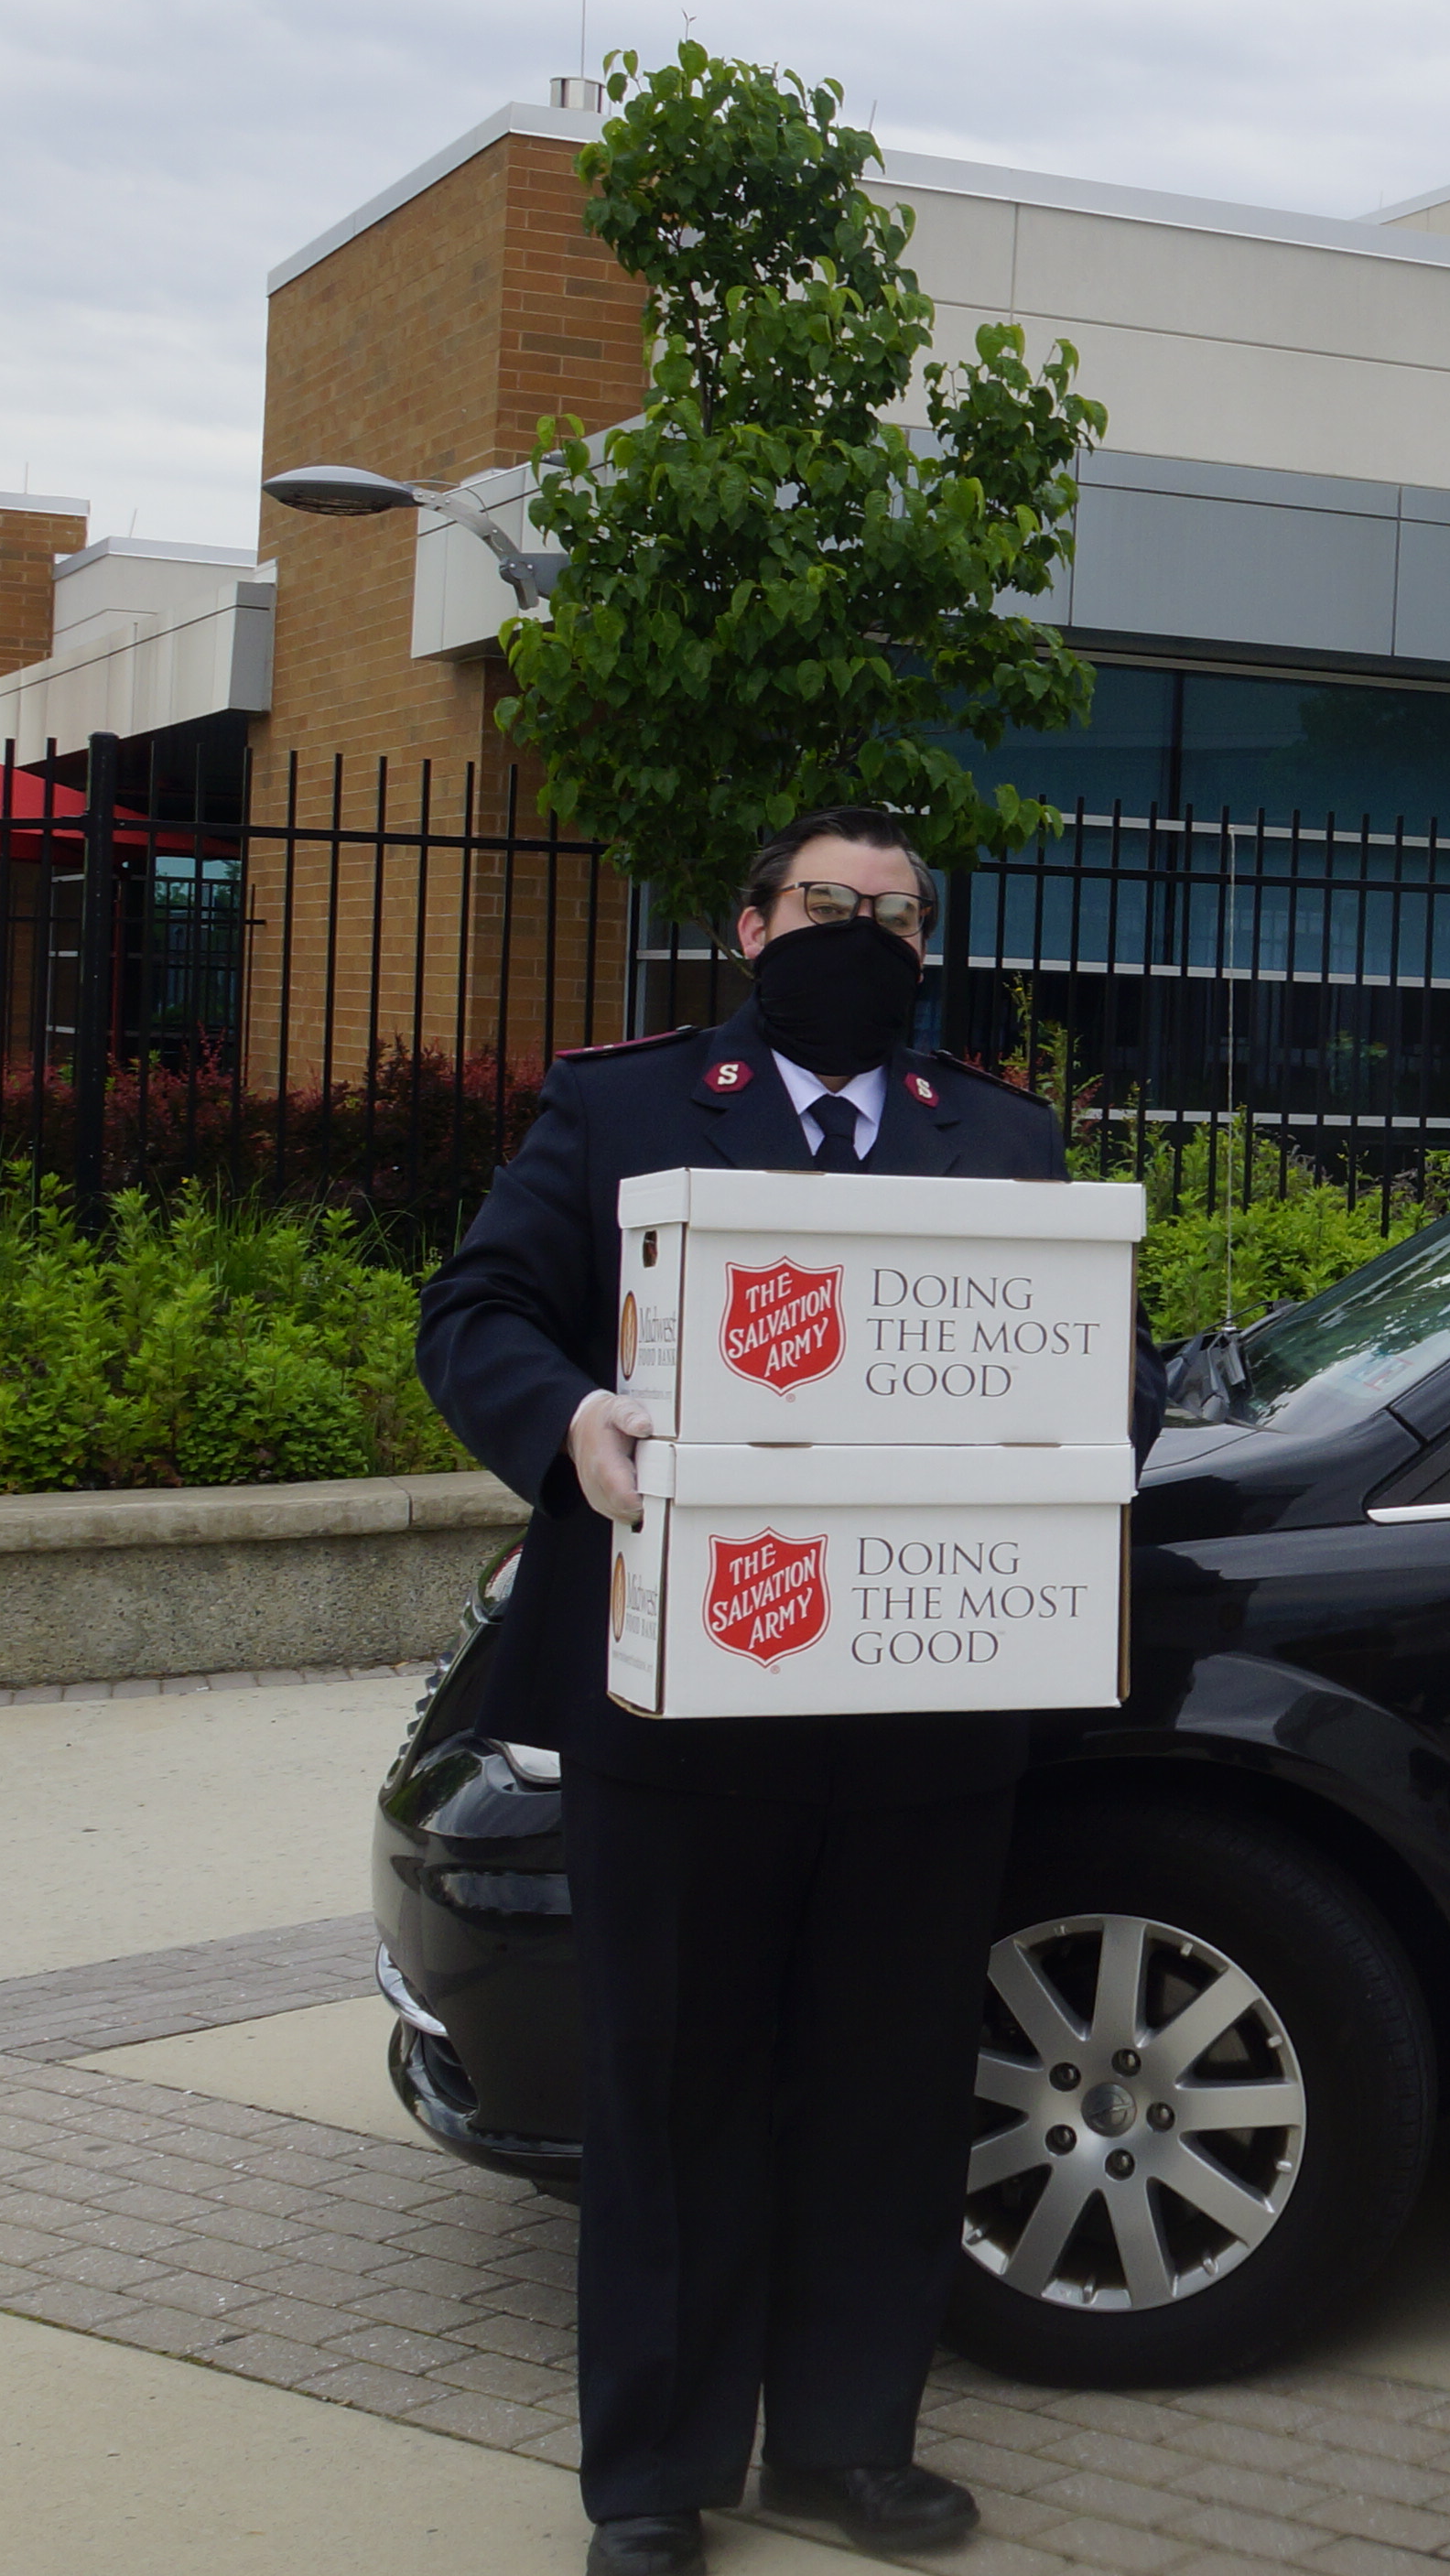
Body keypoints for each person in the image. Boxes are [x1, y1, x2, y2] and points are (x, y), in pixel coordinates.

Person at [421, 806, 1152, 2572]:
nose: (866, 933)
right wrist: (570, 1420)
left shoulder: (1001, 1133)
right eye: (830, 905)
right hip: (680, 1702)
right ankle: (656, 2480)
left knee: (888, 2083)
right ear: (749, 929)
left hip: (922, 1699)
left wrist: (1085, 1449)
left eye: (898, 914)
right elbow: (479, 1313)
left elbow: (1095, 1372)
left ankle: (845, 2445)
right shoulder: (624, 1106)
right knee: (674, 2087)